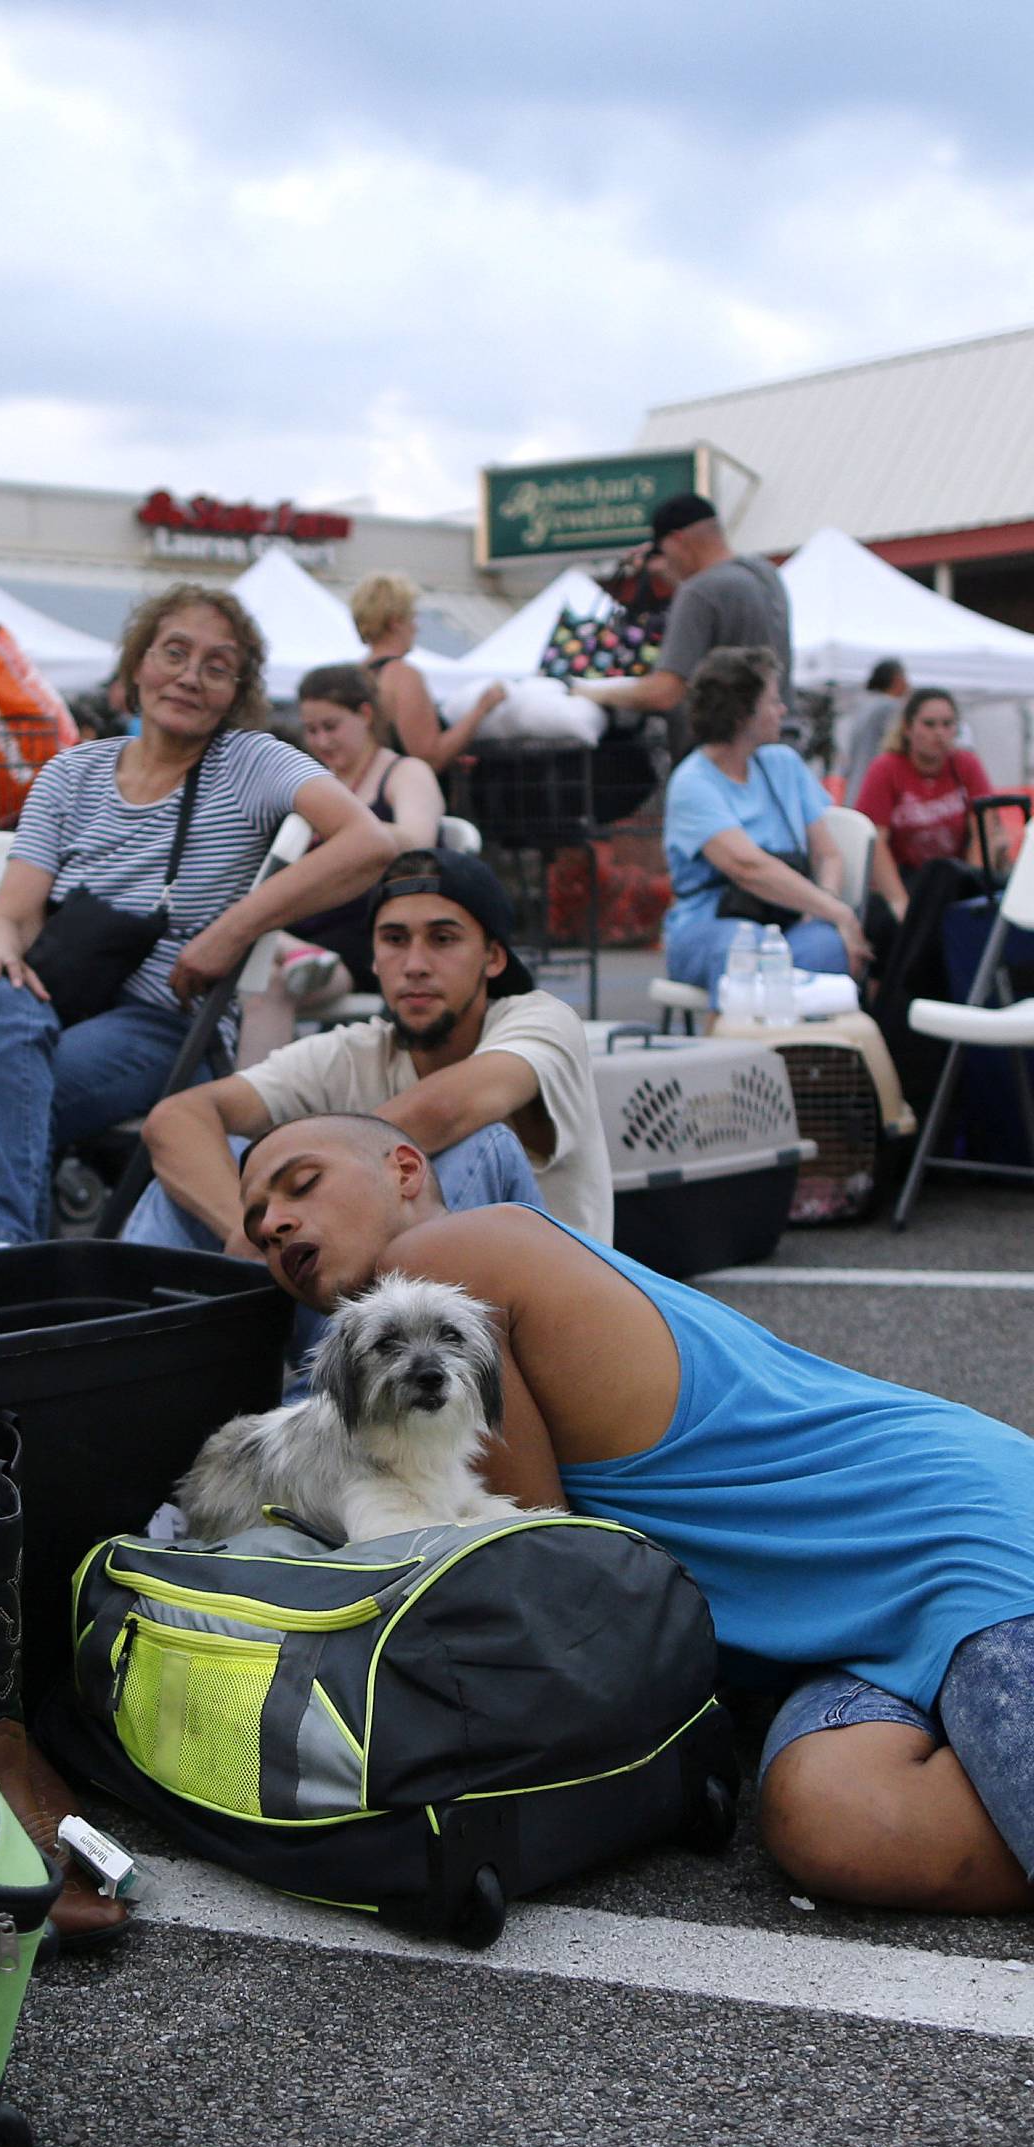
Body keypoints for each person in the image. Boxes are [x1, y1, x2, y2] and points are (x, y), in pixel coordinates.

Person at [233, 1112, 1034, 1917]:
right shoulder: (459, 1308)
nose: (275, 1224)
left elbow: (534, 1575)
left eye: (301, 1185)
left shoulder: (448, 1263)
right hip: (852, 1634)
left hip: (965, 1543)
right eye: (257, 1228)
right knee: (830, 1819)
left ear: (407, 1170)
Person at [0, 584, 401, 1251]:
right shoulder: (71, 772)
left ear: (237, 690)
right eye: (174, 653)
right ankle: (7, 1259)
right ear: (138, 664)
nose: (189, 677)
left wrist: (235, 929)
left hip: (160, 1025)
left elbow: (373, 843)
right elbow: (7, 917)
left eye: (217, 666)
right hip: (48, 1004)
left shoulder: (250, 761)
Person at [135, 847, 611, 1252]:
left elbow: (448, 1108)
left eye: (443, 939)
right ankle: (135, 1352)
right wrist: (245, 1229)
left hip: (529, 1322)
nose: (415, 965)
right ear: (374, 959)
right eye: (394, 940)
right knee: (214, 1163)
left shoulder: (541, 1019)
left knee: (478, 1145)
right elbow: (177, 1118)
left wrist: (295, 1185)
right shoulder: (352, 1053)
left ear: (492, 957)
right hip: (368, 1310)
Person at [235, 664, 444, 1065]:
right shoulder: (314, 782)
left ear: (365, 715)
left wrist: (350, 832)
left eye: (331, 726)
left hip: (361, 937)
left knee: (268, 984)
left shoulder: (404, 772)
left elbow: (419, 842)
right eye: (311, 730)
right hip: (298, 932)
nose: (320, 740)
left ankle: (251, 1117)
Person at [661, 647, 868, 995]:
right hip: (710, 925)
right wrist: (838, 912)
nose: (782, 710)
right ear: (742, 715)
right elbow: (748, 867)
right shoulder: (693, 783)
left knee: (826, 948)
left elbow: (827, 854)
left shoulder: (784, 764)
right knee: (746, 949)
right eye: (772, 702)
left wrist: (823, 905)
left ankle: (809, 1047)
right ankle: (741, 1045)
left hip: (789, 918)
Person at [572, 493, 794, 767]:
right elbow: (717, 607)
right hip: (778, 748)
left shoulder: (698, 592)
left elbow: (664, 693)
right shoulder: (765, 573)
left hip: (724, 762)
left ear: (678, 540)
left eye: (665, 551)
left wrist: (593, 692)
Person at [350, 573, 505, 776]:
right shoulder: (403, 676)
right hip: (405, 798)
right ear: (396, 622)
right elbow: (429, 758)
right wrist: (481, 709)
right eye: (412, 617)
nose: (417, 627)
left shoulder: (356, 675)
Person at [857, 687, 996, 911]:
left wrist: (973, 883)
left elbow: (984, 832)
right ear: (908, 728)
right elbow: (876, 842)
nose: (939, 733)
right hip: (903, 878)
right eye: (929, 724)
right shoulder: (886, 768)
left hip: (954, 875)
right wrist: (899, 902)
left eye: (947, 724)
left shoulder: (966, 765)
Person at [842, 658, 909, 801]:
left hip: (855, 786)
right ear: (897, 680)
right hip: (875, 788)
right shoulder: (889, 707)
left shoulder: (862, 704)